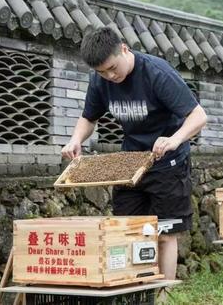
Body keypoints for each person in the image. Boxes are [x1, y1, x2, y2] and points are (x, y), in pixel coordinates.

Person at [61, 27, 208, 280]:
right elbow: (89, 117)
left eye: (112, 67)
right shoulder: (100, 81)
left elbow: (198, 116)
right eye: (102, 72)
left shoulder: (156, 73)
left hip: (168, 163)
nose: (110, 75)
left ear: (124, 49)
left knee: (163, 233)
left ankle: (163, 293)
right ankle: (135, 289)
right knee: (129, 229)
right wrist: (75, 140)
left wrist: (174, 139)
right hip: (130, 164)